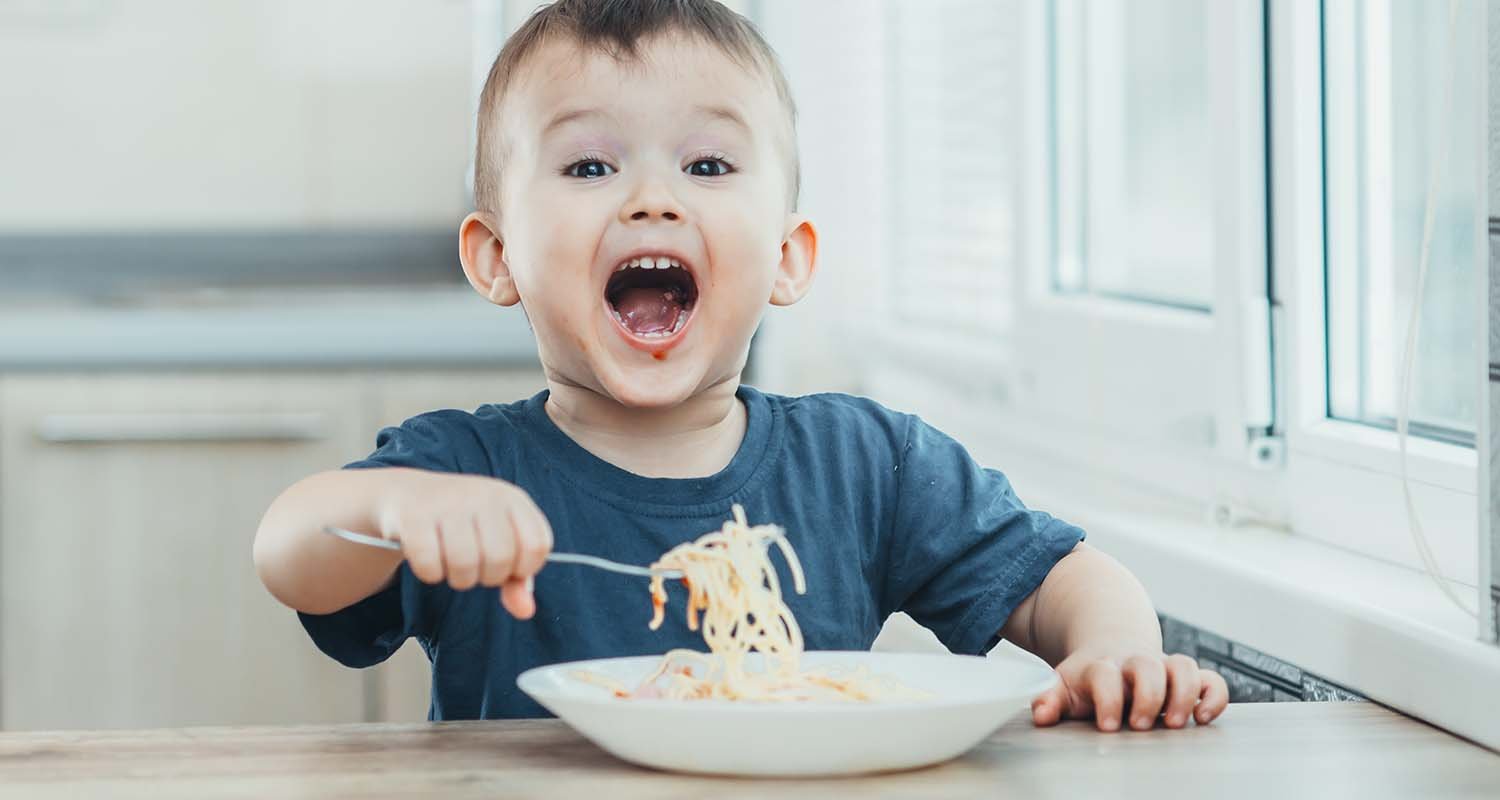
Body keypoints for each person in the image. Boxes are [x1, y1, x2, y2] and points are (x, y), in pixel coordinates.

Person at [253, 0, 1228, 732]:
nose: (651, 198)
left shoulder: (866, 464)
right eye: (590, 166)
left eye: (708, 166)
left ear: (790, 258)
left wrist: (1115, 651)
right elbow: (291, 552)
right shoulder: (465, 470)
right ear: (496, 256)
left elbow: (1064, 576)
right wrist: (387, 511)